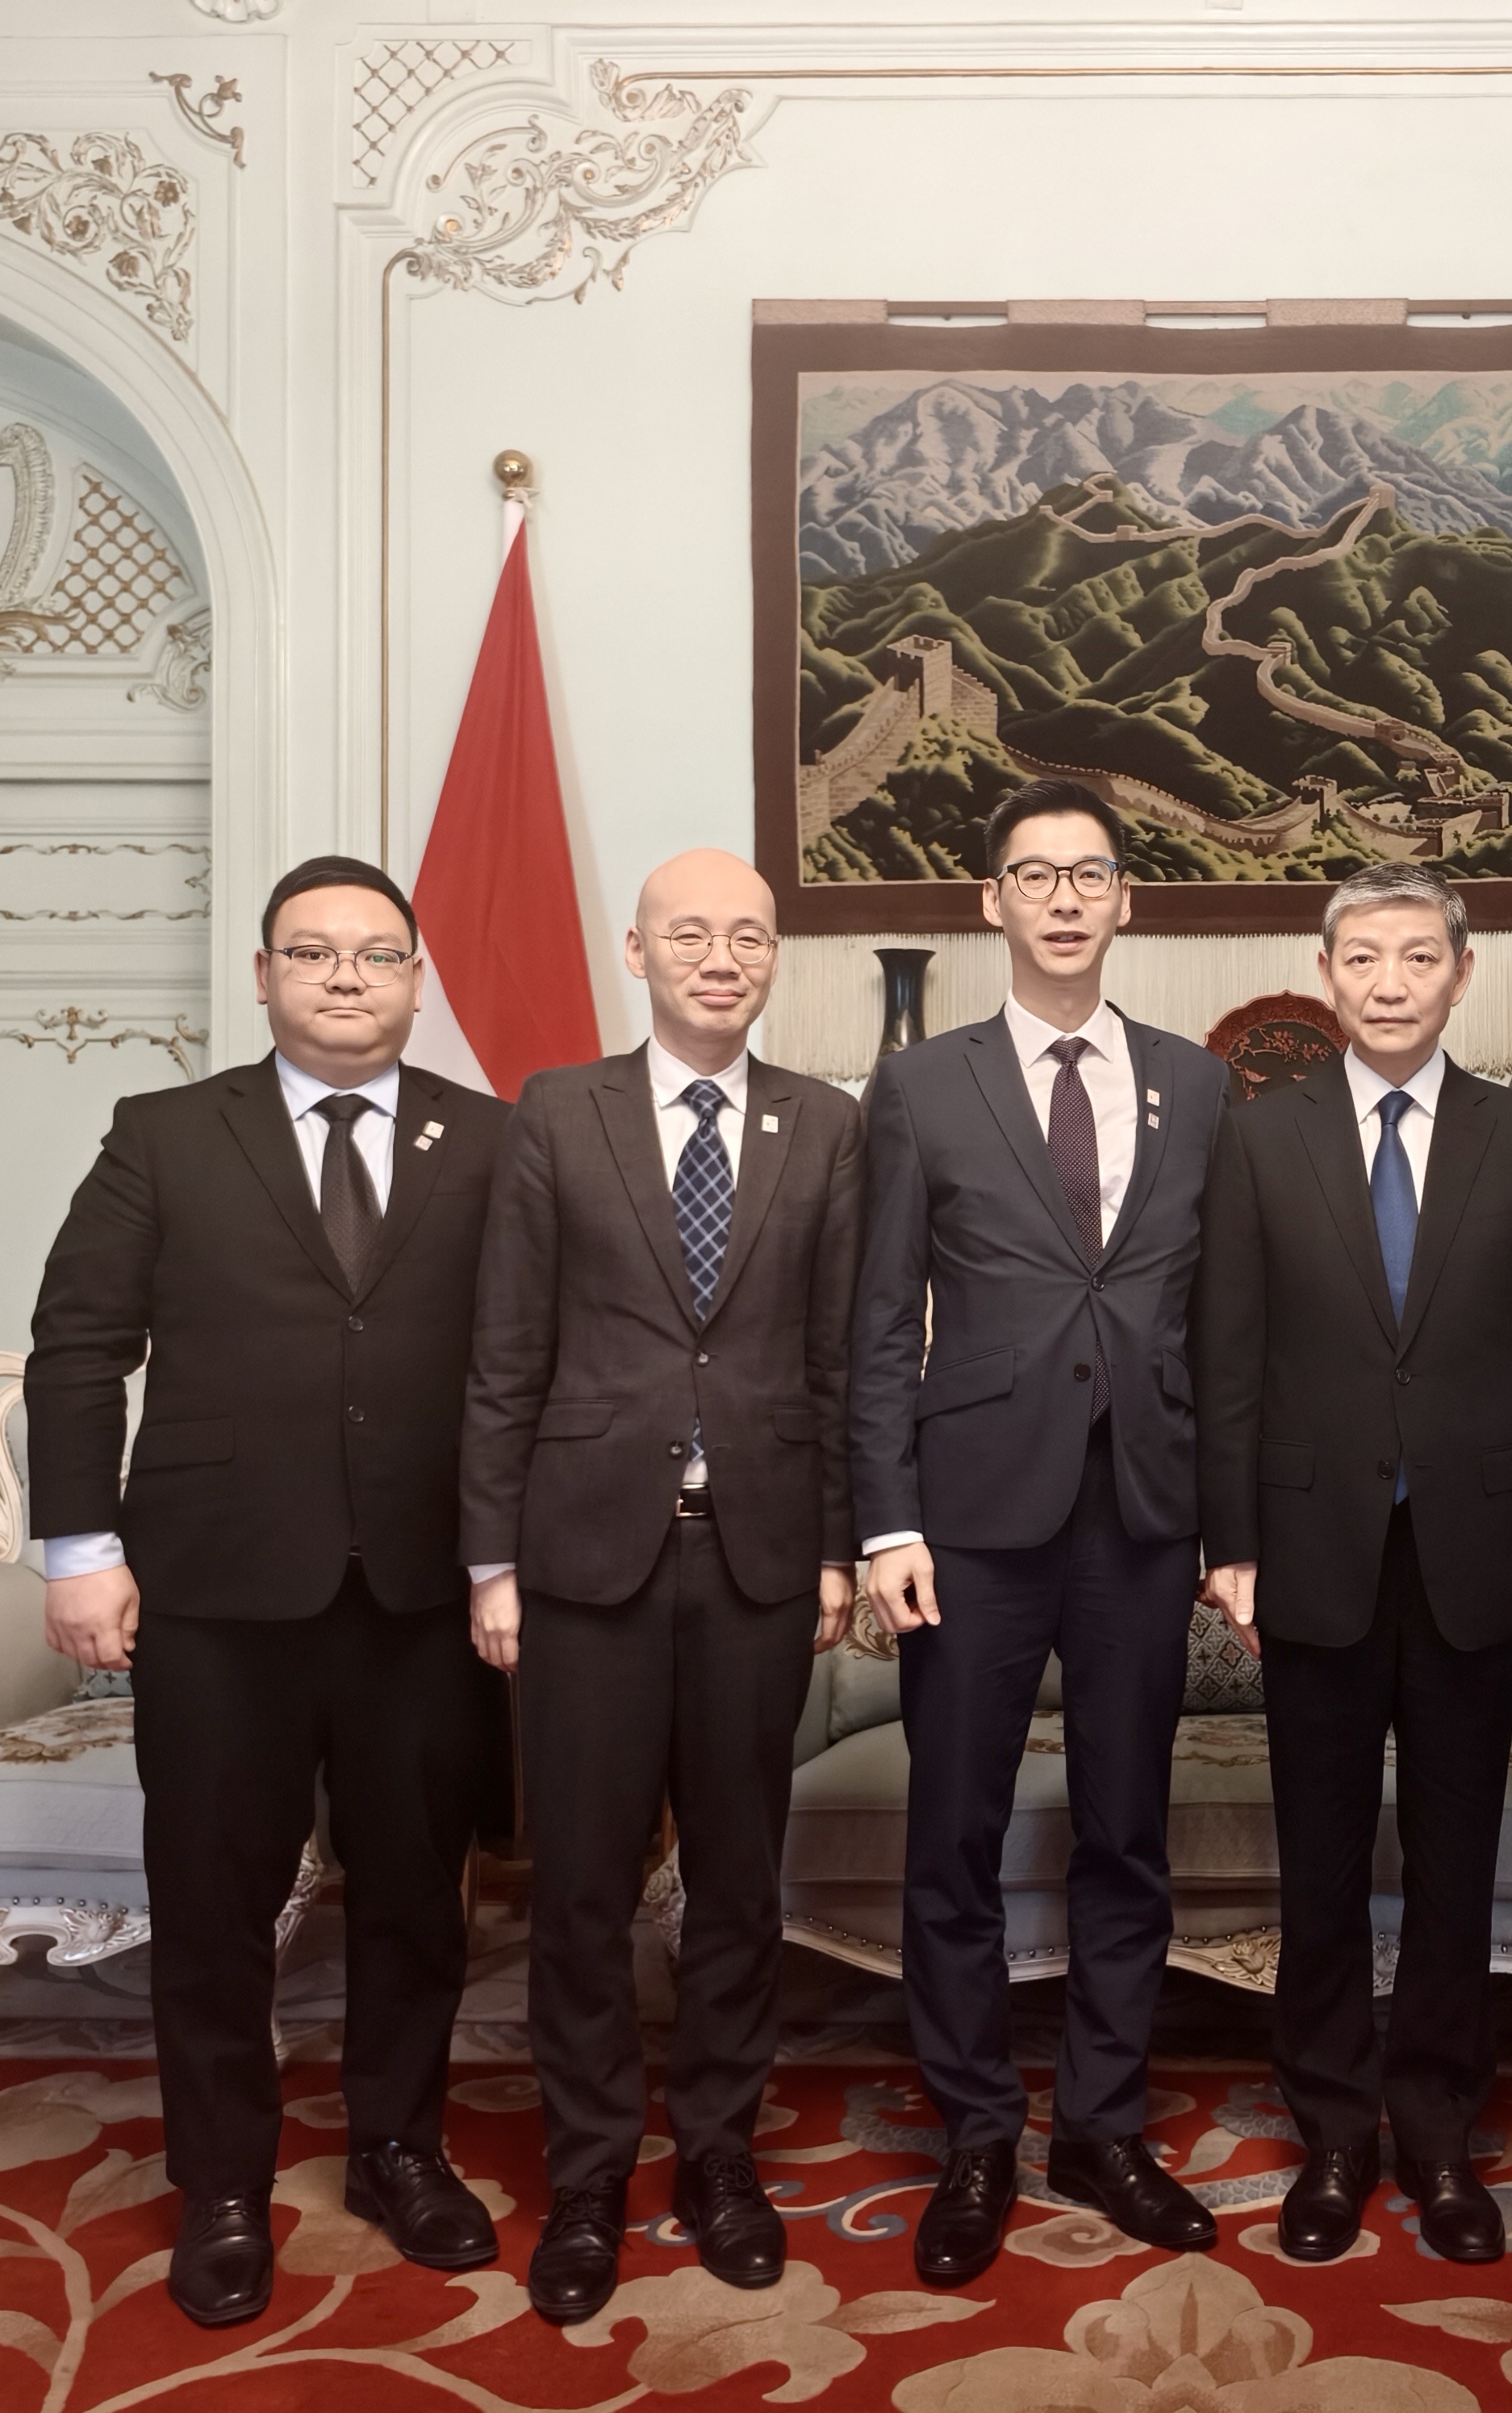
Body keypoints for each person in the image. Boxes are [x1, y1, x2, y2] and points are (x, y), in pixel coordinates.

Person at [25, 856, 508, 2329]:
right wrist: (80, 1551)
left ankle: (399, 2149)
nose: (346, 975)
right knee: (213, 1900)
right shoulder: (166, 1134)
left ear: (417, 980)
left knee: (418, 1896)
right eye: (313, 952)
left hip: (422, 1592)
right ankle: (224, 2185)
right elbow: (77, 1347)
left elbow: (534, 1357)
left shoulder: (492, 1140)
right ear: (263, 976)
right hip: (217, 1593)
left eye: (376, 954)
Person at [461, 849, 863, 2323]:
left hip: (759, 1559)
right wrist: (492, 1560)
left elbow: (835, 1360)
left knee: (739, 1883)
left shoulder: (827, 1125)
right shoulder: (557, 1110)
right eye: (689, 933)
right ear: (636, 953)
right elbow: (506, 1347)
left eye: (747, 935)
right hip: (582, 1560)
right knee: (578, 1884)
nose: (720, 956)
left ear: (774, 960)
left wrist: (836, 1548)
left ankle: (718, 2158)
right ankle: (585, 2174)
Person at [848, 779, 1233, 2286]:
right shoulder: (919, 1085)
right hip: (970, 1519)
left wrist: (1226, 1521)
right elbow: (882, 1320)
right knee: (954, 1833)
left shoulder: (1198, 1084)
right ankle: (973, 2135)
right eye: (1035, 874)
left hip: (1142, 1513)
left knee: (1128, 1832)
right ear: (990, 902)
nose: (1065, 898)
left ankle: (1102, 2127)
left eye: (1090, 874)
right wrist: (886, 1518)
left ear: (1128, 899)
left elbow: (1225, 1323)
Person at [1193, 864, 1512, 2266]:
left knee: (1452, 1854)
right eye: (1362, 957)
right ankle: (1331, 2131)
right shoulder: (1259, 1137)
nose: (1389, 982)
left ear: (1460, 974)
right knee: (1318, 1857)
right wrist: (1231, 1540)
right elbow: (1226, 1353)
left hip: (1474, 1546)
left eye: (1418, 957)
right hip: (1309, 1544)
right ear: (1328, 972)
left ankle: (1435, 2129)